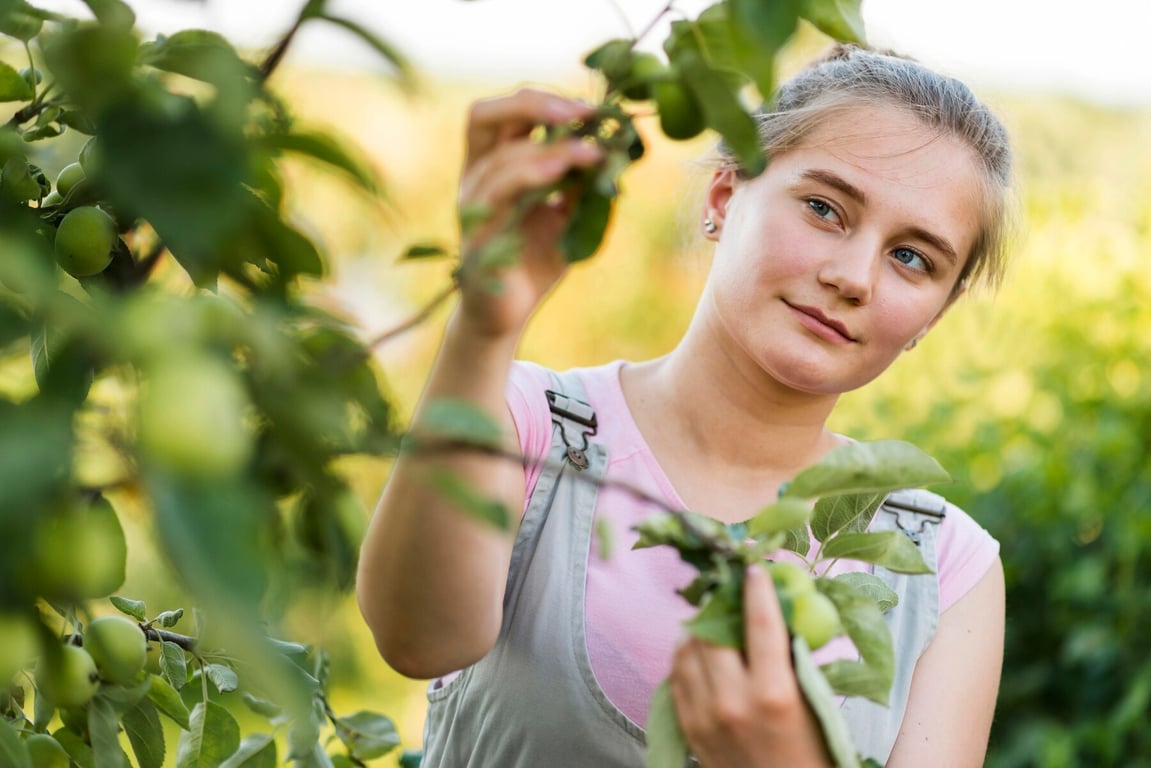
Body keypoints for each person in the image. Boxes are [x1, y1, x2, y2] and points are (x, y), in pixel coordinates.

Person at [356, 43, 1012, 768]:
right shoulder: (523, 423)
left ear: (933, 316)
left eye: (912, 258)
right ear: (723, 197)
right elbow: (417, 639)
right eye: (824, 209)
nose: (854, 277)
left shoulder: (945, 566)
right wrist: (485, 326)